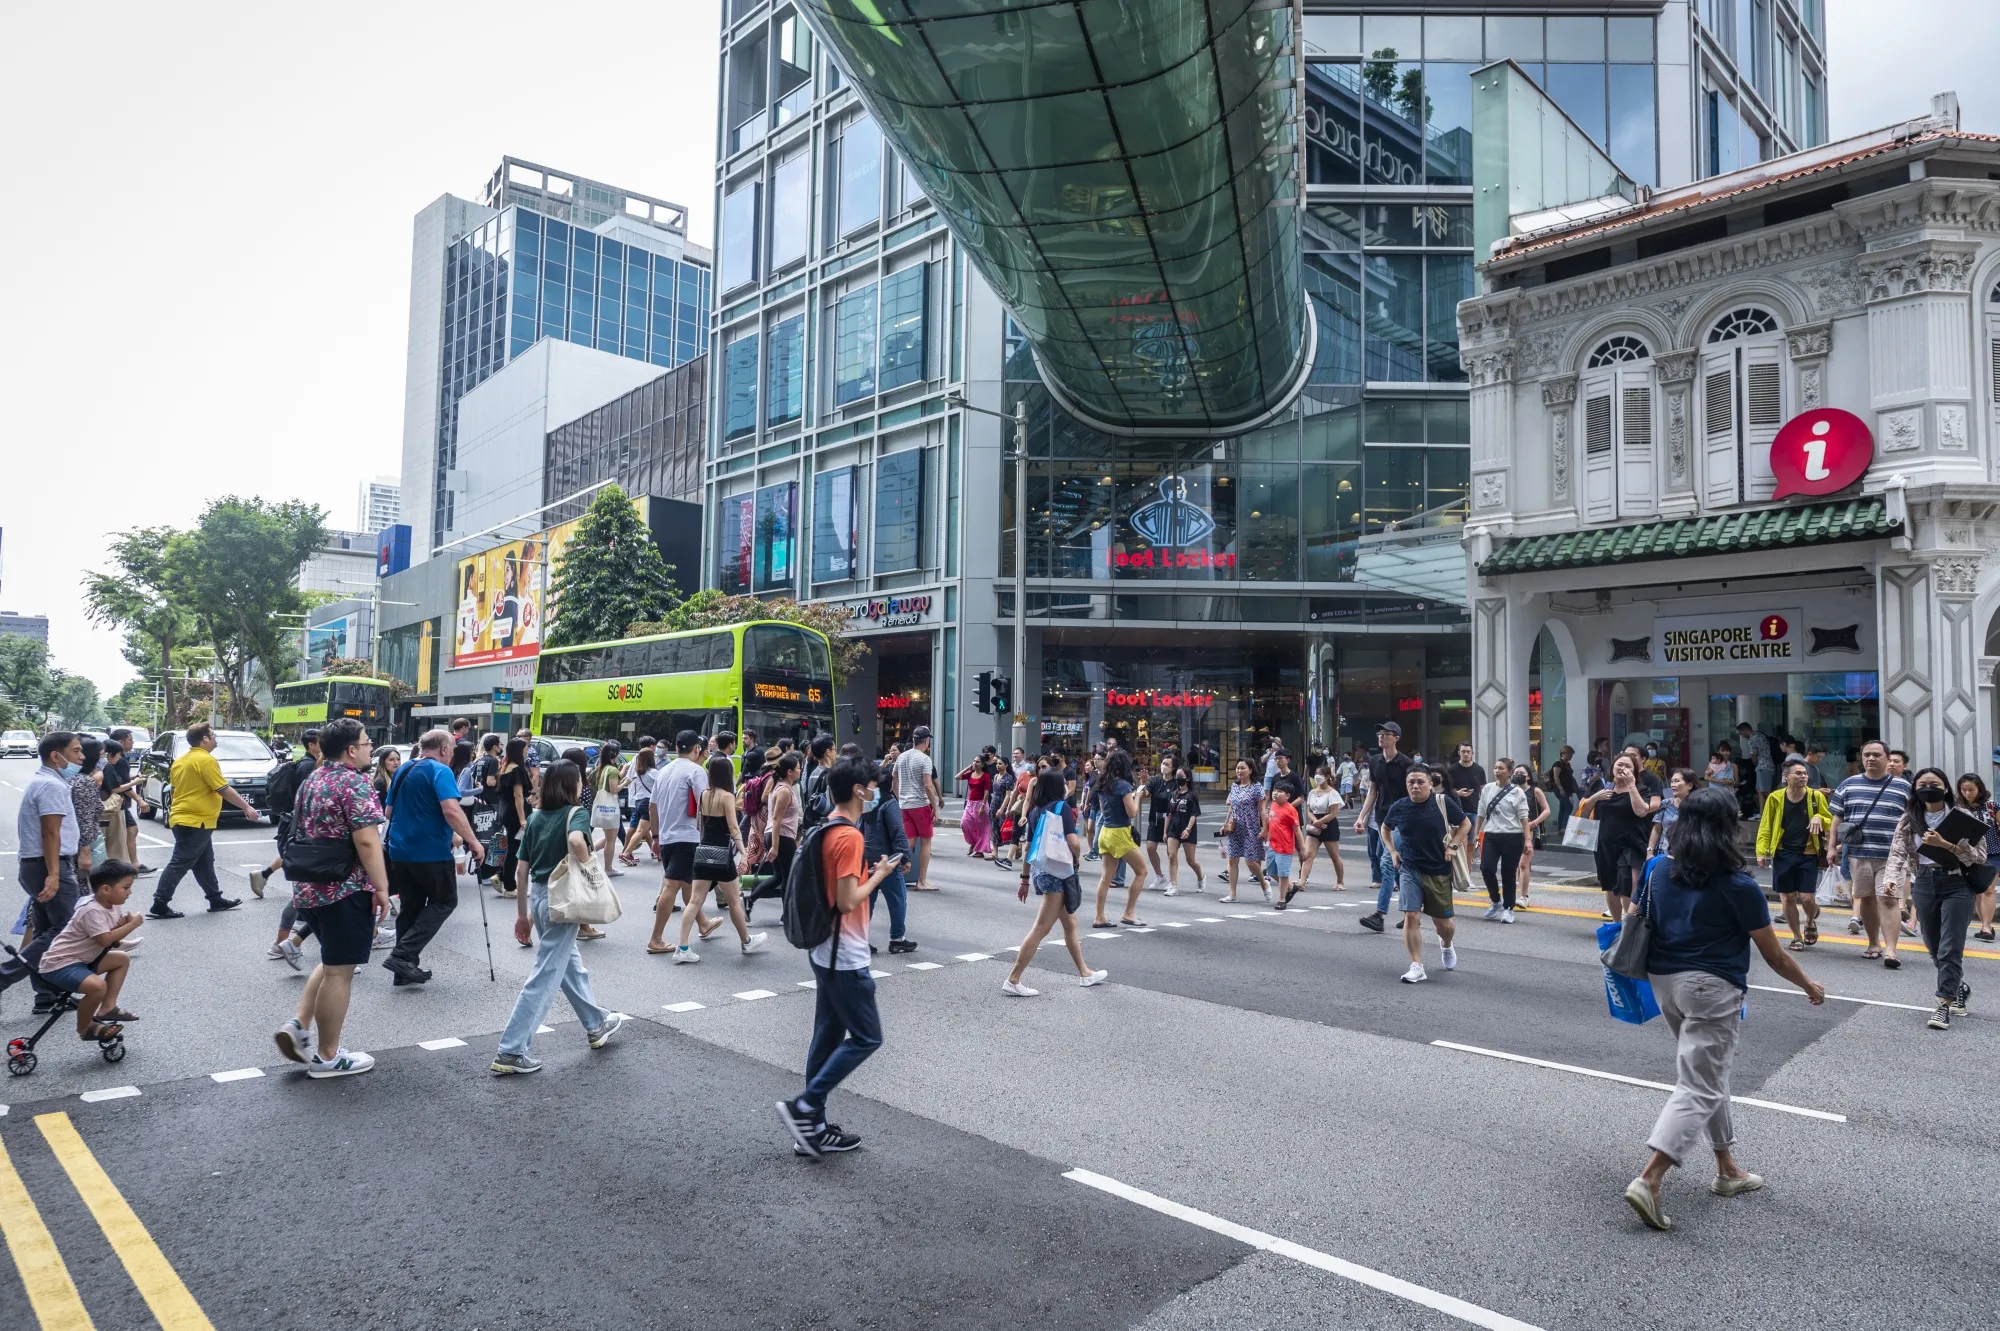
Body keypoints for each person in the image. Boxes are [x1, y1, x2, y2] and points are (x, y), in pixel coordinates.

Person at [1622, 786, 1824, 1232]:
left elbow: (1631, 919)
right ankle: (1650, 1178)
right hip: (1711, 989)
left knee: (1708, 1077)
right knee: (1699, 1084)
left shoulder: (1657, 868)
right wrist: (1809, 984)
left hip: (1664, 984)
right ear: (1728, 828)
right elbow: (1775, 956)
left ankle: (1727, 1167)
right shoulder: (1738, 885)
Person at [775, 757, 903, 1158]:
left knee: (828, 1035)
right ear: (859, 790)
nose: (876, 790)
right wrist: (879, 876)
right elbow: (847, 900)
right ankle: (806, 1105)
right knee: (867, 1037)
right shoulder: (849, 837)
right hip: (843, 954)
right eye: (871, 784)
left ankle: (810, 1129)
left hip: (824, 949)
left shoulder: (829, 825)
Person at [272, 718, 393, 1079]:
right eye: (367, 742)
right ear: (351, 749)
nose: (371, 747)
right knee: (341, 971)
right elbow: (367, 841)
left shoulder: (314, 778)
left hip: (310, 887)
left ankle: (299, 1023)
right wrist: (382, 887)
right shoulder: (354, 783)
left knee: (331, 961)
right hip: (345, 888)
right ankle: (327, 1056)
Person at [381, 728, 484, 986]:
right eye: (451, 749)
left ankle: (403, 970)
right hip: (430, 851)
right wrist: (473, 841)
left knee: (411, 906)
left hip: (400, 850)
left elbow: (389, 811)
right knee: (444, 900)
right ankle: (403, 955)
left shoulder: (404, 770)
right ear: (444, 749)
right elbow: (451, 809)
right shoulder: (441, 771)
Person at [1879, 768, 1980, 1029]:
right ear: (1915, 789)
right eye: (1922, 784)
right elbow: (1897, 853)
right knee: (1934, 945)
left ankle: (1943, 1005)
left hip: (1957, 883)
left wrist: (1945, 844)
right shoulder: (1909, 819)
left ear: (1945, 788)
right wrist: (1890, 879)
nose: (1928, 788)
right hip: (1923, 882)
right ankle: (1958, 987)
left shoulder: (1962, 816)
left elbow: (1978, 857)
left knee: (1950, 947)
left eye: (1934, 784)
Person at [1, 733, 87, 1008]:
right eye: (76, 751)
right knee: (64, 929)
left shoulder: (47, 781)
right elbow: (51, 832)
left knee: (44, 930)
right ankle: (4, 976)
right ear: (55, 755)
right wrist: (54, 874)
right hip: (48, 865)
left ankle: (47, 994)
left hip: (37, 865)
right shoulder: (51, 785)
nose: (81, 757)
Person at [1003, 769, 1107, 995]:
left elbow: (1029, 848)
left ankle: (1085, 973)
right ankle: (1013, 979)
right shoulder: (1062, 808)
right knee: (1041, 928)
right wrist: (1077, 858)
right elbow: (1075, 843)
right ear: (1058, 786)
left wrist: (1024, 880)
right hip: (1058, 873)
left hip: (1042, 871)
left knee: (1070, 924)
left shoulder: (1034, 811)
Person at [150, 723, 261, 919]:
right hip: (196, 821)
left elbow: (174, 790)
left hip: (183, 817)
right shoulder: (206, 760)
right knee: (180, 862)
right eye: (213, 735)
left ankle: (215, 898)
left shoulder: (181, 761)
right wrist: (246, 806)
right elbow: (223, 789)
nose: (216, 738)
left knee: (204, 862)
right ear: (205, 739)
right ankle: (160, 903)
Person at [669, 756, 768, 963]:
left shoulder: (704, 794)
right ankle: (746, 941)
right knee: (734, 902)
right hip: (722, 854)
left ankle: (683, 947)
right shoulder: (727, 796)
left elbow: (700, 825)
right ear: (727, 774)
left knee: (694, 902)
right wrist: (743, 851)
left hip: (703, 851)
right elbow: (733, 828)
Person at [36, 858, 143, 1042]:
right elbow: (104, 940)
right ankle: (85, 1028)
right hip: (60, 964)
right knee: (97, 987)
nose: (130, 892)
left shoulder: (113, 904)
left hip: (82, 960)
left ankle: (108, 1008)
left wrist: (122, 924)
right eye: (126, 887)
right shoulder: (91, 910)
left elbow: (110, 936)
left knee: (121, 959)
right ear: (105, 889)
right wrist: (132, 925)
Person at [1378, 768, 1467, 982]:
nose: (1415, 786)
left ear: (1429, 784)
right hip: (1409, 868)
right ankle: (1417, 965)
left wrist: (1453, 846)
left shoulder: (1442, 802)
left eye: (1420, 782)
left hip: (1438, 870)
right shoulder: (1399, 806)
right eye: (1411, 782)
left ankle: (1446, 945)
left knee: (1443, 925)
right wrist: (1392, 851)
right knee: (1411, 915)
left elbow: (1465, 823)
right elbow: (1385, 828)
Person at [1829, 740, 1911, 960]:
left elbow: (1914, 821)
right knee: (1866, 899)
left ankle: (1891, 950)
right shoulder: (1848, 784)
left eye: (1876, 755)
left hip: (1892, 857)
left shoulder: (1903, 787)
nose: (1871, 759)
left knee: (1888, 899)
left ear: (1887, 758)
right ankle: (1874, 943)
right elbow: (1837, 818)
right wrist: (1831, 848)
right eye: (1867, 755)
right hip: (1858, 854)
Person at [648, 732, 721, 952]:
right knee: (672, 885)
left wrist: (655, 836)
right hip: (687, 836)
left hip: (668, 836)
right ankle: (656, 938)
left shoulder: (664, 771)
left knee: (688, 884)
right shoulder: (696, 771)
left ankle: (703, 923)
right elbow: (707, 803)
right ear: (697, 749)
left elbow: (652, 806)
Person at [1756, 755, 1831, 952]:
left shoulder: (1816, 797)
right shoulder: (1775, 798)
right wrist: (1761, 852)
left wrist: (1819, 818)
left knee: (1807, 898)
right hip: (1783, 853)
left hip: (1808, 853)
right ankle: (1797, 936)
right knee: (1788, 898)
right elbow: (1766, 826)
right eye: (1798, 773)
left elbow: (1830, 820)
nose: (1803, 776)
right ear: (1786, 776)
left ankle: (1810, 919)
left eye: (1805, 773)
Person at [1579, 755, 1654, 922]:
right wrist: (1595, 797)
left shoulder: (1641, 789)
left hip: (1632, 844)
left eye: (1628, 766)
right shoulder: (1602, 787)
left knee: (1628, 882)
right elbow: (1583, 809)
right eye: (1620, 764)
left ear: (1634, 771)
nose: (1623, 768)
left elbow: (1642, 811)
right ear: (1612, 768)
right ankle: (1617, 924)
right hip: (1605, 844)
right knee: (1611, 885)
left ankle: (1629, 924)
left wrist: (1631, 786)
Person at [1355, 722, 1415, 918]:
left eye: (1386, 734)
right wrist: (1361, 817)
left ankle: (1380, 914)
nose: (1381, 737)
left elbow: (1413, 793)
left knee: (1387, 861)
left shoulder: (1406, 764)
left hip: (1402, 819)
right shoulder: (1374, 762)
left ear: (1396, 738)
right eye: (1380, 734)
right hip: (1382, 818)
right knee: (1398, 863)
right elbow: (1373, 791)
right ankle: (1411, 912)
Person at [252, 729, 320, 899]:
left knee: (290, 853)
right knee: (296, 856)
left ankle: (263, 875)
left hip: (293, 817)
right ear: (311, 745)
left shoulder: (306, 763)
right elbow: (305, 796)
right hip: (299, 819)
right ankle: (303, 898)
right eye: (321, 742)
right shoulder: (309, 766)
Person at [1090, 747, 1151, 928]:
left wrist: (1139, 788)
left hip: (1106, 831)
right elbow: (1131, 812)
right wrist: (1137, 796)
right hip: (1120, 833)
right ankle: (1129, 913)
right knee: (1142, 871)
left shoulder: (1102, 783)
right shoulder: (1123, 785)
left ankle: (1099, 917)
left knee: (1106, 878)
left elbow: (1104, 808)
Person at [861, 759, 916, 954]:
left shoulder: (867, 802)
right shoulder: (889, 802)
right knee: (897, 898)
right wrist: (905, 857)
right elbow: (897, 831)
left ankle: (861, 940)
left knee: (867, 901)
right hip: (888, 860)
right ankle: (897, 938)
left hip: (868, 858)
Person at [1474, 759, 1532, 922]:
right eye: (1495, 768)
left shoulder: (1517, 792)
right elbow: (1481, 811)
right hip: (1491, 835)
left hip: (1513, 836)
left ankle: (1508, 908)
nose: (1497, 771)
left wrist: (1528, 840)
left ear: (1509, 772)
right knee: (1486, 868)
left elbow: (1524, 817)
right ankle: (1495, 900)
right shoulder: (1488, 789)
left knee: (1508, 873)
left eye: (1501, 768)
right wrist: (1477, 831)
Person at [747, 753, 802, 919]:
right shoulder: (784, 790)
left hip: (775, 834)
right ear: (790, 772)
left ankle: (750, 900)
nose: (801, 770)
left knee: (779, 876)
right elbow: (777, 818)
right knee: (788, 876)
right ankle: (787, 916)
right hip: (782, 837)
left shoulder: (778, 785)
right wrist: (775, 847)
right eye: (798, 768)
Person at [895, 726, 942, 891]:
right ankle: (921, 881)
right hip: (920, 804)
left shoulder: (901, 757)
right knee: (926, 841)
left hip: (904, 805)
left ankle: (889, 871)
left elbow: (894, 780)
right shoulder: (924, 759)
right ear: (927, 741)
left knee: (910, 840)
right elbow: (928, 786)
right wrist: (934, 807)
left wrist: (899, 797)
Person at [1219, 758, 1270, 903]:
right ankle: (1232, 894)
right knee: (1232, 860)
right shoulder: (1235, 786)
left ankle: (1263, 883)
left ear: (1250, 770)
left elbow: (1262, 810)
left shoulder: (1256, 787)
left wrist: (1265, 828)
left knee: (1250, 860)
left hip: (1251, 826)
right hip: (1235, 827)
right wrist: (1225, 824)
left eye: (1243, 768)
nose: (1239, 771)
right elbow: (1231, 806)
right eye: (1238, 768)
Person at [493, 738, 532, 897]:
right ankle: (509, 886)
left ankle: (501, 875)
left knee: (512, 846)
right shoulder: (517, 770)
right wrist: (523, 818)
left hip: (505, 811)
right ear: (519, 751)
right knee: (514, 848)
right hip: (515, 814)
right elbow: (517, 795)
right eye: (525, 749)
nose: (527, 751)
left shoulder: (505, 767)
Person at [98, 736, 143, 868]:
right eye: (118, 755)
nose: (119, 758)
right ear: (110, 755)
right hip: (111, 808)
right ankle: (118, 866)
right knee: (114, 841)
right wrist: (135, 782)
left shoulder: (103, 767)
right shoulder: (109, 767)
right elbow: (115, 788)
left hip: (109, 808)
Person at [587, 741, 625, 886]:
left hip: (601, 806)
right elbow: (614, 789)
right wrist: (625, 782)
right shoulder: (612, 770)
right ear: (615, 755)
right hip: (610, 807)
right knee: (611, 839)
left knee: (609, 837)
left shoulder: (602, 767)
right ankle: (608, 868)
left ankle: (587, 852)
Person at [1160, 768, 1204, 893]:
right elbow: (1168, 814)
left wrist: (1188, 829)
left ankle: (1201, 877)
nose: (1178, 777)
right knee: (1172, 856)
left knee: (1190, 860)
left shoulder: (1191, 796)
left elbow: (1193, 815)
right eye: (1177, 775)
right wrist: (1165, 832)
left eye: (1181, 775)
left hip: (1187, 829)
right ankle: (1173, 885)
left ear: (1187, 778)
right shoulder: (1173, 795)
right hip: (1173, 828)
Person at [67, 736, 106, 879]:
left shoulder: (67, 777)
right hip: (85, 846)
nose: (103, 760)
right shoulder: (84, 782)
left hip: (70, 845)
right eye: (101, 756)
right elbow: (85, 819)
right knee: (86, 890)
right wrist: (85, 852)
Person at [1142, 754, 1181, 894]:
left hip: (1171, 820)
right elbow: (1146, 793)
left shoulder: (1176, 783)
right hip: (1155, 819)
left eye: (1167, 764)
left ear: (1173, 768)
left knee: (1171, 853)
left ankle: (1172, 881)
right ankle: (1159, 875)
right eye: (1163, 763)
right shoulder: (1155, 781)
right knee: (1150, 847)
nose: (1163, 766)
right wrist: (1143, 782)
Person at [1265, 783, 1303, 908]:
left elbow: (1297, 830)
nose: (1275, 793)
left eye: (1279, 791)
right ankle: (1291, 887)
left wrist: (1303, 848)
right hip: (1272, 845)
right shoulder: (1273, 805)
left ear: (1287, 796)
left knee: (1283, 874)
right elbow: (1270, 823)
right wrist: (1265, 833)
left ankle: (1282, 900)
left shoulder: (1290, 810)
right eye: (1274, 790)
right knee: (1270, 871)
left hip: (1284, 848)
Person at [958, 750, 995, 860]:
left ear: (982, 764)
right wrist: (967, 768)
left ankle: (980, 850)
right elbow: (957, 777)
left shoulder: (986, 776)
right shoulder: (970, 774)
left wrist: (983, 806)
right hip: (970, 803)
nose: (975, 763)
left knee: (983, 827)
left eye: (977, 762)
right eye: (974, 761)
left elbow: (987, 792)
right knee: (964, 824)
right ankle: (974, 843)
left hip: (981, 803)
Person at [1445, 743, 1485, 811]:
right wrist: (1457, 793)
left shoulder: (1479, 770)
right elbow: (1446, 789)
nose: (1466, 754)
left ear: (1472, 753)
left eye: (1468, 751)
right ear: (1459, 753)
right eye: (1463, 751)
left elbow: (1483, 790)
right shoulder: (1451, 770)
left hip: (1474, 809)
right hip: (1456, 809)